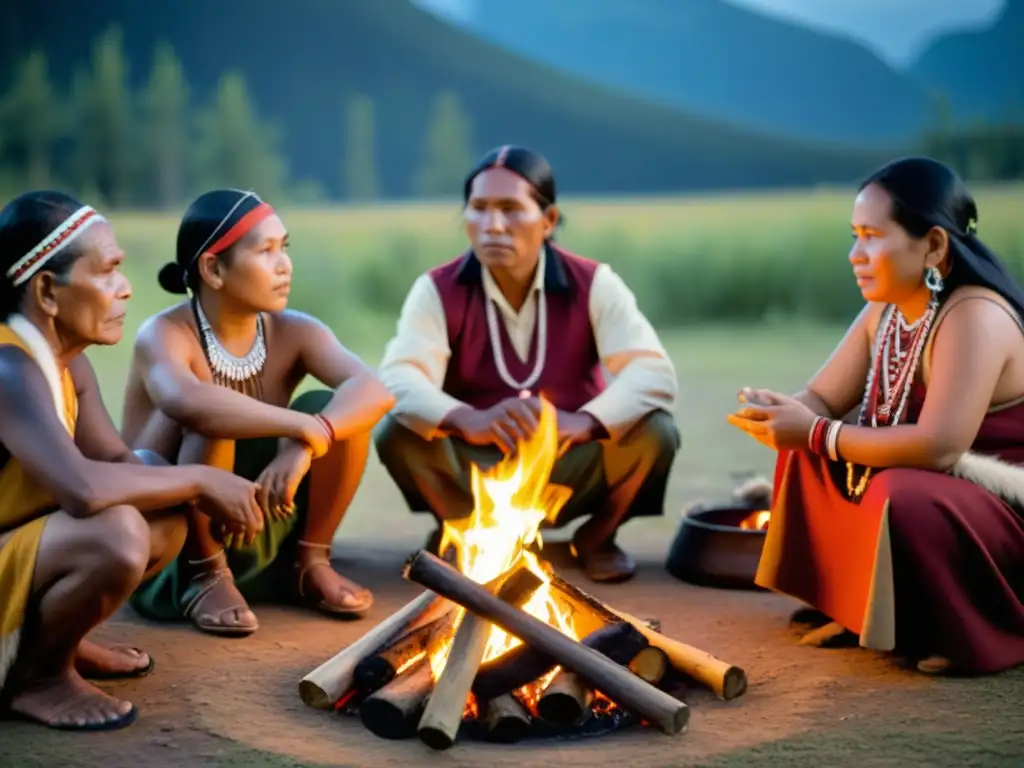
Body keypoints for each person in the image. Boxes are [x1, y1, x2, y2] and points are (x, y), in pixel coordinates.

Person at [727, 157, 1024, 675]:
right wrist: (781, 414)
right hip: (925, 477)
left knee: (901, 496)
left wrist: (818, 431)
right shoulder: (886, 309)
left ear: (933, 245)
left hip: (998, 506)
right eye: (854, 236)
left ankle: (954, 629)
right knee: (805, 454)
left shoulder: (975, 314)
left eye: (870, 236)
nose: (854, 254)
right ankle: (855, 610)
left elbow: (940, 447)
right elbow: (821, 398)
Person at [0, 191, 263, 731]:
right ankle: (38, 678)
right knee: (116, 530)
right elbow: (83, 491)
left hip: (17, 550)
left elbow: (121, 460)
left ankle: (61, 644)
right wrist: (206, 478)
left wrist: (191, 486)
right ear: (47, 290)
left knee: (157, 496)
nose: (126, 288)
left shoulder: (67, 365)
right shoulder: (10, 367)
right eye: (109, 271)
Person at [374, 146, 680, 584]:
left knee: (656, 431)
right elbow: (398, 377)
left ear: (549, 220)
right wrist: (468, 419)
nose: (492, 225)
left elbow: (654, 373)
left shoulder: (593, 282)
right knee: (398, 428)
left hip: (567, 458)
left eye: (510, 209)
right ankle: (463, 534)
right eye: (478, 209)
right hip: (476, 459)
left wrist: (583, 422)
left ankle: (597, 537)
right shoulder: (436, 289)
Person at [123, 189, 395, 638]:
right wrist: (298, 428)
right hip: (170, 546)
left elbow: (374, 389)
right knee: (213, 412)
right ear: (213, 269)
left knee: (331, 407)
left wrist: (309, 439)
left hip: (262, 520)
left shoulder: (296, 331)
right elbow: (185, 402)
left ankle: (310, 561)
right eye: (265, 251)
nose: (284, 264)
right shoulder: (165, 334)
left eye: (284, 248)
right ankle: (207, 577)